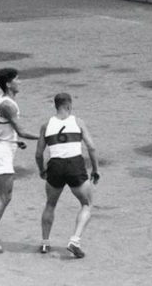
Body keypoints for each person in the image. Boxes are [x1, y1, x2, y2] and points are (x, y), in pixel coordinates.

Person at [0, 68, 39, 253]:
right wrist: (46, 137)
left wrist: (14, 141)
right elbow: (22, 131)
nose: (20, 82)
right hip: (1, 154)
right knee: (5, 196)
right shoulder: (8, 105)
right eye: (17, 79)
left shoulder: (2, 100)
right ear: (9, 84)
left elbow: (4, 128)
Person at [34, 93, 99, 258]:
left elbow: (39, 154)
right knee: (86, 204)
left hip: (55, 166)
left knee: (50, 204)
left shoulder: (46, 125)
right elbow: (91, 147)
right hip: (74, 164)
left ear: (56, 106)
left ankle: (45, 243)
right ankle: (74, 241)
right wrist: (95, 170)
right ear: (69, 106)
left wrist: (42, 170)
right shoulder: (78, 122)